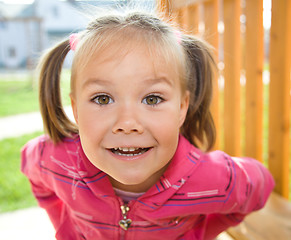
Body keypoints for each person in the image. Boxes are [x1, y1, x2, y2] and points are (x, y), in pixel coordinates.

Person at [21, 9, 274, 240]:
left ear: (181, 108)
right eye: (103, 98)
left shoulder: (211, 178)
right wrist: (65, 228)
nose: (128, 123)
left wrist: (201, 232)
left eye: (152, 98)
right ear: (76, 109)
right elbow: (32, 170)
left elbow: (259, 186)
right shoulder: (54, 158)